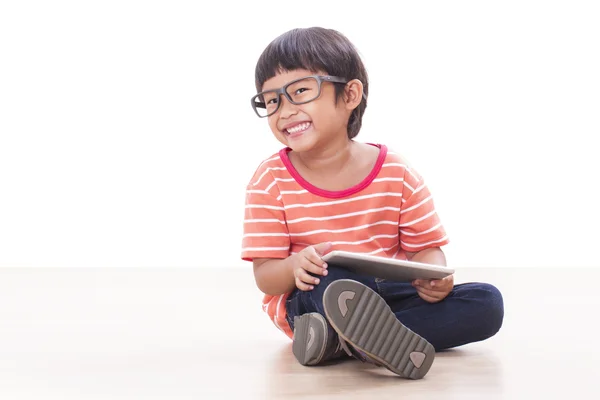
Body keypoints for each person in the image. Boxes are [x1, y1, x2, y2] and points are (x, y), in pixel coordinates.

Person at [241, 27, 504, 380]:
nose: (284, 111)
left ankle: (342, 343)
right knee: (331, 278)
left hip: (390, 297)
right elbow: (266, 278)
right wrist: (293, 266)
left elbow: (427, 251)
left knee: (486, 303)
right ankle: (362, 336)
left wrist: (434, 279)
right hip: (314, 299)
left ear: (350, 94)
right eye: (271, 100)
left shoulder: (397, 172)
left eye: (300, 91)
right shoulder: (270, 180)